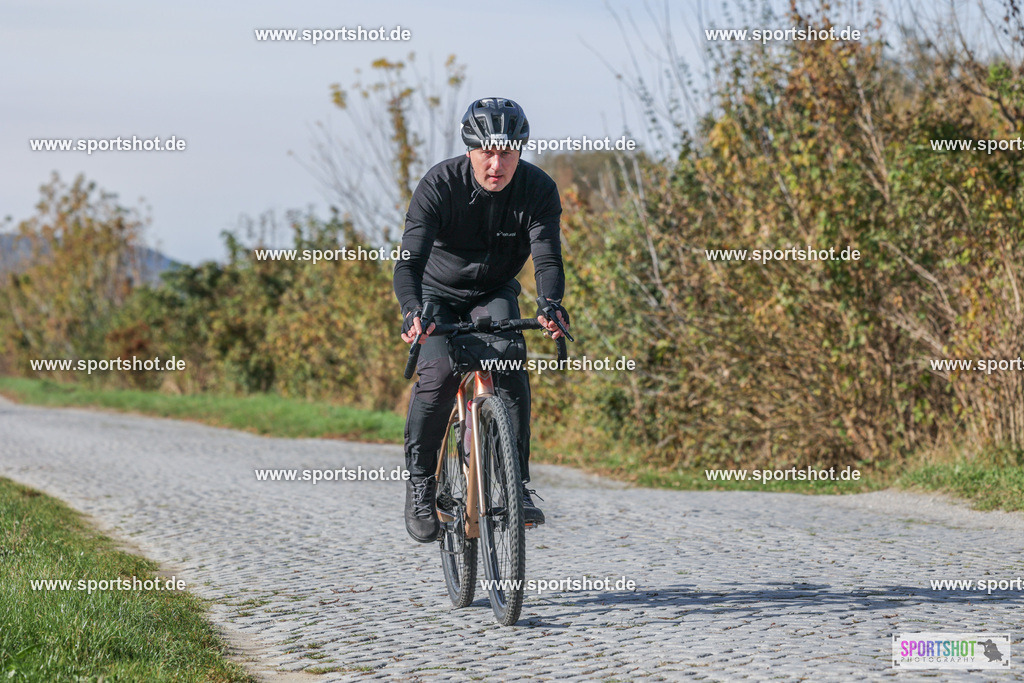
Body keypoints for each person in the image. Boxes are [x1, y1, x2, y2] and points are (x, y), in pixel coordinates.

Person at [394, 97, 570, 543]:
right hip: (436, 294)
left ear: (521, 150)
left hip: (493, 292)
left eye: (508, 152)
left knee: (511, 362)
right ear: (469, 149)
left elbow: (548, 258)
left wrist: (550, 305)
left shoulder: (537, 189)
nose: (497, 163)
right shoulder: (439, 183)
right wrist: (412, 310)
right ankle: (420, 484)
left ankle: (518, 486)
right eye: (487, 152)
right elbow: (408, 262)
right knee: (438, 376)